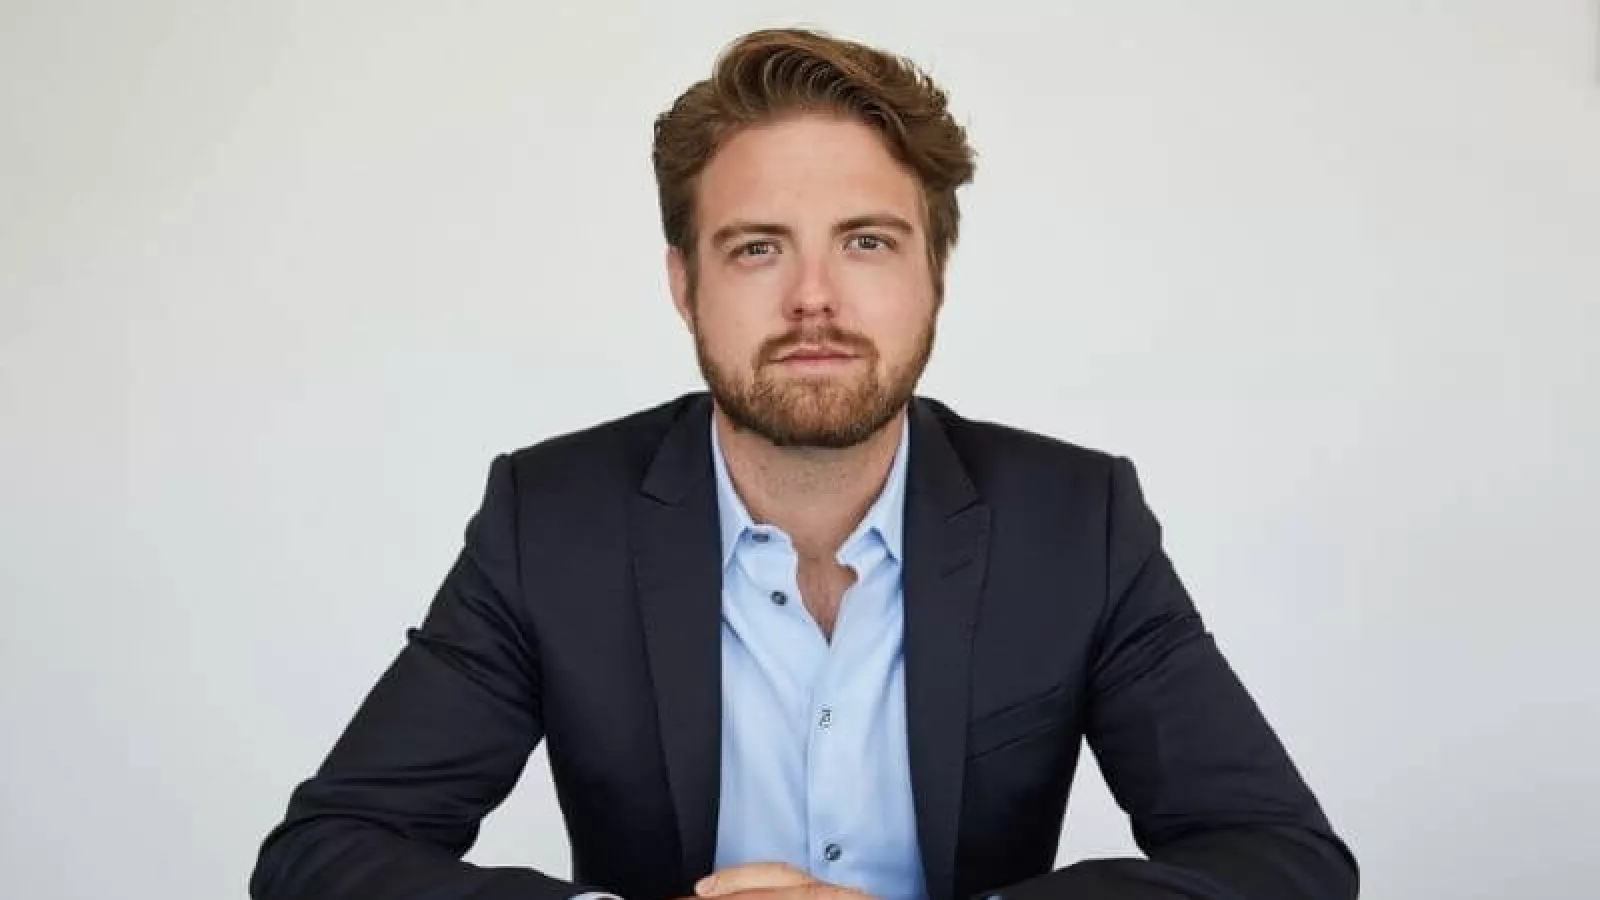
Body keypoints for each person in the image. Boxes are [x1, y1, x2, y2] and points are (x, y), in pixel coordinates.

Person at [250, 27, 1357, 900]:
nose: (813, 299)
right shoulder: (551, 521)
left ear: (936, 272)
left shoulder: (1076, 521)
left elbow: (1281, 861)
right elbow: (327, 854)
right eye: (757, 247)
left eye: (867, 241)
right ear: (684, 285)